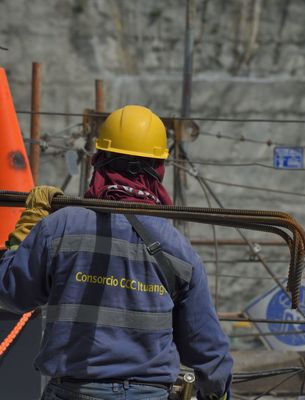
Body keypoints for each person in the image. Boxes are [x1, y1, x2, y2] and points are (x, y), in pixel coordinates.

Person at [0, 105, 233, 400]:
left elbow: (11, 292)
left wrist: (28, 225)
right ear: (159, 168)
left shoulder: (60, 226)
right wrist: (217, 392)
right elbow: (207, 347)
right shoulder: (178, 247)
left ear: (100, 159)